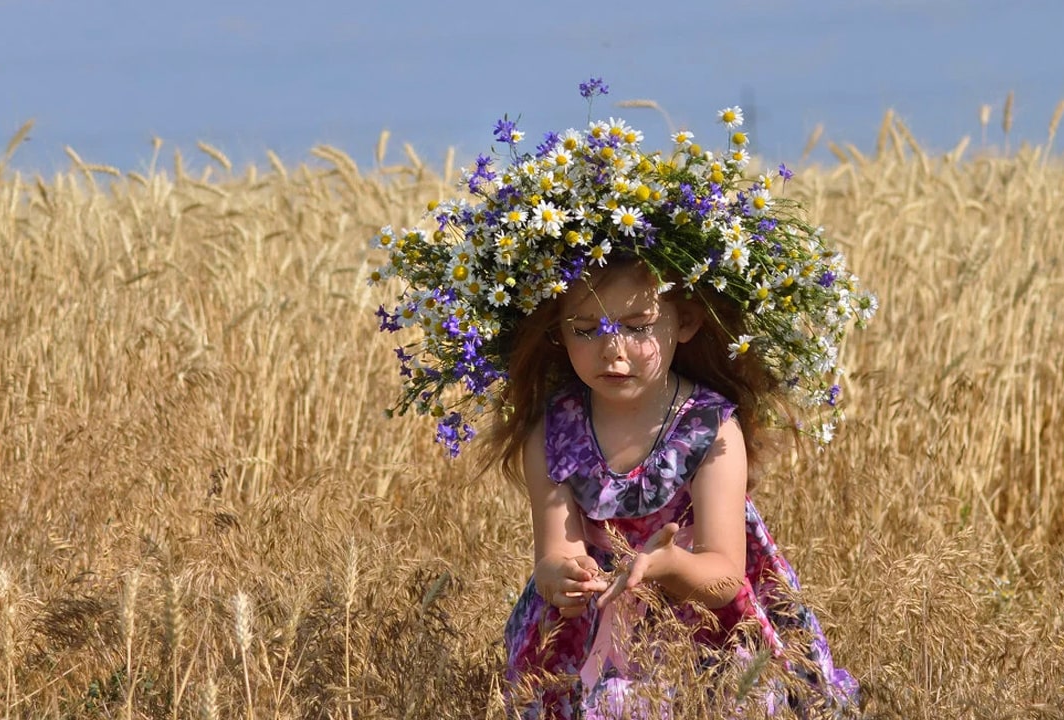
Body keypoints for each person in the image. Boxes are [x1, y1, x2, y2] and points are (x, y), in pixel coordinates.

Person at [371, 78, 875, 717]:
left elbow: (724, 573)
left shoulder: (710, 429)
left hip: (706, 626)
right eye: (587, 330)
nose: (614, 351)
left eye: (637, 328)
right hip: (594, 627)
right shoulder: (551, 434)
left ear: (684, 323)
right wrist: (564, 579)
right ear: (555, 332)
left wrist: (663, 567)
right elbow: (556, 552)